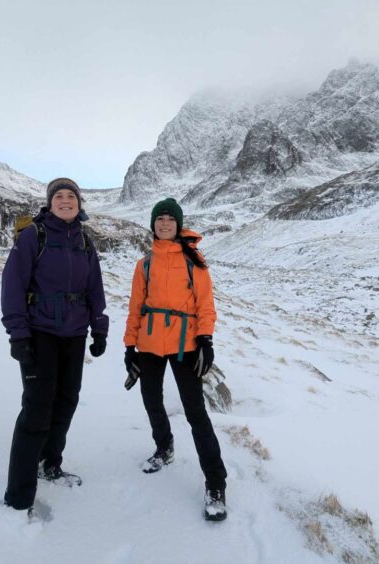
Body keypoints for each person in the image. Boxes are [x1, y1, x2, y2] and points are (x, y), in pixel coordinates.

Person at [1, 177, 108, 513]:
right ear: (49, 203)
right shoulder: (34, 235)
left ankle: (50, 464)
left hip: (74, 336)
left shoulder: (85, 243)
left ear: (79, 204)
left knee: (65, 402)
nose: (65, 201)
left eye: (71, 196)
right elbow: (12, 286)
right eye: (59, 196)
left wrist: (99, 329)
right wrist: (18, 334)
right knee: (36, 409)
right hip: (39, 333)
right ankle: (18, 496)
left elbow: (94, 290)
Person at [123, 197, 228, 521]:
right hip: (150, 344)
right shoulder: (144, 265)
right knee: (152, 401)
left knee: (196, 413)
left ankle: (215, 484)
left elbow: (205, 306)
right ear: (153, 225)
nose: (165, 223)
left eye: (170, 219)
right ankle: (164, 447)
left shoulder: (194, 262)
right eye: (160, 219)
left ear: (178, 225)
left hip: (186, 345)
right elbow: (135, 307)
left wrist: (206, 341)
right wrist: (129, 348)